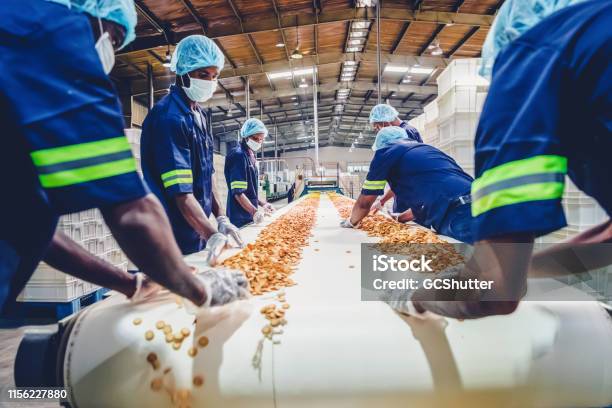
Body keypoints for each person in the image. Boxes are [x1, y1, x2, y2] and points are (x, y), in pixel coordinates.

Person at [0, 0, 248, 314]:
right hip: (173, 236)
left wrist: (131, 285)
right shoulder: (54, 39)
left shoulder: (15, 35)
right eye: (115, 40)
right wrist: (199, 290)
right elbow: (132, 211)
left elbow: (30, 226)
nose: (110, 54)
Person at [400, 0, 612, 319]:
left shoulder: (532, 57)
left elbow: (494, 291)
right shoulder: (597, 33)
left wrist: (415, 298)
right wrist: (527, 268)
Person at [140, 35, 243, 264]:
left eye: (215, 76)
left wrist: (221, 218)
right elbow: (181, 192)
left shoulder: (199, 116)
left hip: (196, 227)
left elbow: (209, 175)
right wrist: (211, 234)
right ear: (183, 72)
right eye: (202, 75)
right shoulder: (169, 118)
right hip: (170, 235)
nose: (210, 81)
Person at [340, 127, 474, 243]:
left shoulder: (386, 153)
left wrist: (351, 222)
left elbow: (364, 203)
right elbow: (423, 205)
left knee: (479, 267)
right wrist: (399, 218)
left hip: (460, 213)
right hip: (482, 200)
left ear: (381, 145)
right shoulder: (427, 150)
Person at [224, 119, 275, 227]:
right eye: (255, 138)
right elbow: (238, 193)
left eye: (261, 139)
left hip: (249, 214)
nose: (258, 142)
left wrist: (263, 204)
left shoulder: (250, 155)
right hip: (239, 216)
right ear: (246, 136)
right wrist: (255, 212)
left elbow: (250, 192)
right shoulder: (238, 155)